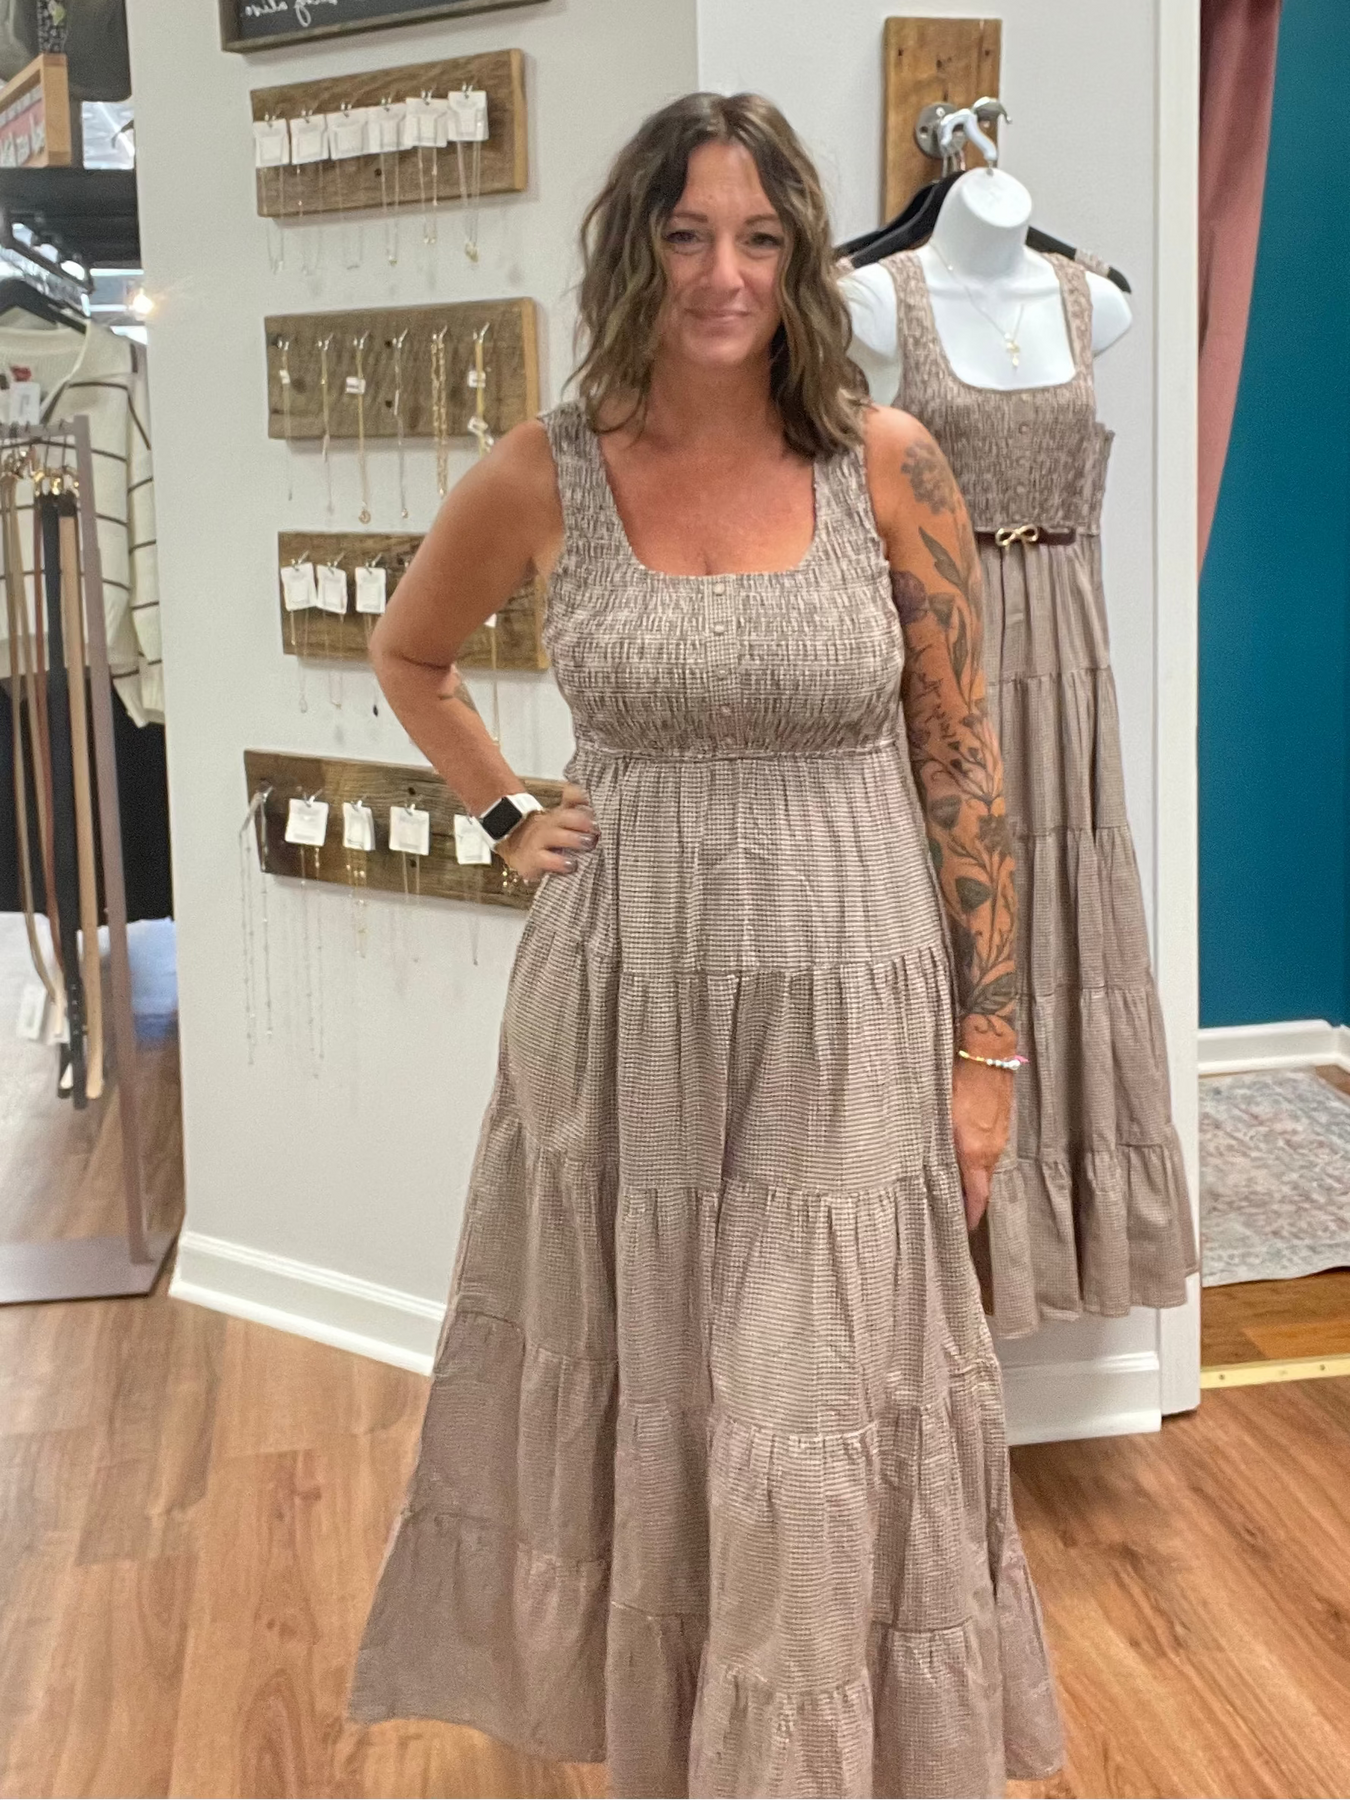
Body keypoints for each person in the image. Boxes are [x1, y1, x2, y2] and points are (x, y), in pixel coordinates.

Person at [346, 91, 1064, 1800]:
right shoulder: (547, 468)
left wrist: (989, 1050)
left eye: (755, 235)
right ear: (633, 252)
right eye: (685, 235)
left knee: (806, 1414)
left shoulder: (884, 461)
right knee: (658, 1393)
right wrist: (503, 813)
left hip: (851, 998)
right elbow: (408, 655)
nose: (721, 273)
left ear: (800, 255)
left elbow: (960, 761)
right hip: (625, 1005)